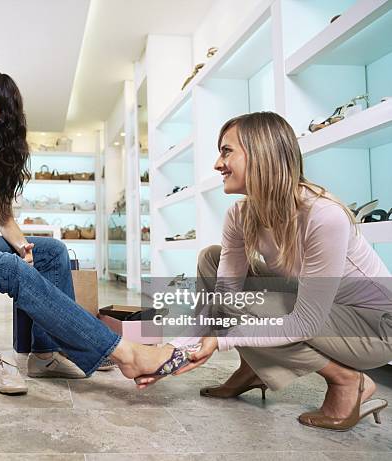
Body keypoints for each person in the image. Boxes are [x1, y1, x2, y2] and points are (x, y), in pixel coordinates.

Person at [0, 69, 185, 392]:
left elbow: (5, 218)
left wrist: (25, 247)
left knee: (51, 252)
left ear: (2, 113)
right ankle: (125, 353)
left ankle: (44, 355)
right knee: (11, 271)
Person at [138, 112, 392, 431]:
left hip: (374, 327)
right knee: (212, 261)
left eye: (226, 151)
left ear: (261, 154)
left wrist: (219, 342)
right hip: (322, 309)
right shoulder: (241, 214)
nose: (218, 164)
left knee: (245, 307)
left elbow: (304, 322)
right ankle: (252, 368)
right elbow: (223, 298)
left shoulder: (323, 215)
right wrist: (177, 348)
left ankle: (348, 381)